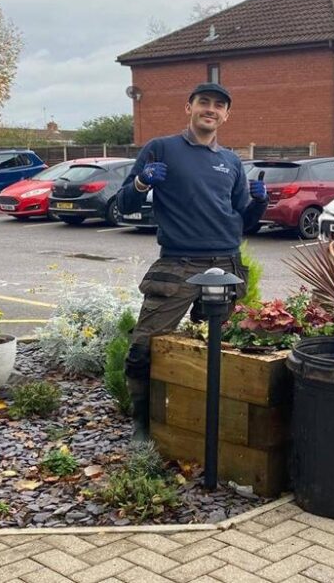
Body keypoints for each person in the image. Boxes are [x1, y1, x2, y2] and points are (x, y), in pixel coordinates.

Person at [118, 82, 268, 442]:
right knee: (142, 349)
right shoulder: (161, 148)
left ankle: (202, 418)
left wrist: (260, 204)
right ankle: (143, 425)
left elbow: (243, 220)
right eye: (204, 102)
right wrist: (141, 183)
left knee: (217, 349)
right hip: (178, 265)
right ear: (189, 107)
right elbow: (123, 205)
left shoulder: (231, 161)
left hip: (227, 265)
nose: (210, 109)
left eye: (219, 105)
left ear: (226, 115)